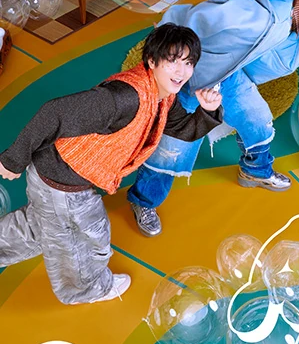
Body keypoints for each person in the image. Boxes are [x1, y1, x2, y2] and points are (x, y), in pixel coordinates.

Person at [127, 0, 299, 237]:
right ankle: (144, 201)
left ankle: (255, 171)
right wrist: (170, 39)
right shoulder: (259, 15)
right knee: (174, 145)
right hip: (196, 76)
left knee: (257, 120)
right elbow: (205, 15)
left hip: (233, 76)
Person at [0, 24, 222, 304]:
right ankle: (86, 289)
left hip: (59, 177)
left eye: (188, 63)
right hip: (62, 182)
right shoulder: (123, 98)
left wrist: (208, 111)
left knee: (43, 225)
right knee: (89, 237)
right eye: (173, 61)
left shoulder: (164, 97)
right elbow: (54, 112)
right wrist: (13, 159)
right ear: (152, 60)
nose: (182, 71)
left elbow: (181, 128)